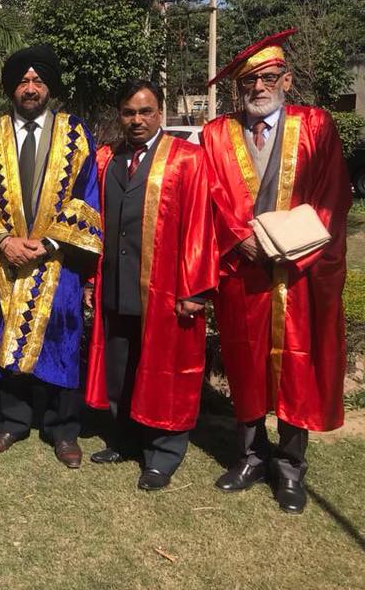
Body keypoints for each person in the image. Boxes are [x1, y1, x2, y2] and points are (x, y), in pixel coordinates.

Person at [202, 29, 351, 514]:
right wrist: (238, 238)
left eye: (268, 77)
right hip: (243, 270)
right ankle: (249, 457)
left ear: (286, 79)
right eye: (249, 80)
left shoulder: (316, 125)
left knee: (296, 369)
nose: (258, 87)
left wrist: (293, 246)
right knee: (246, 364)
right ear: (238, 87)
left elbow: (333, 193)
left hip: (299, 271)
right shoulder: (216, 134)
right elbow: (211, 197)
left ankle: (289, 467)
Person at [0, 45, 102, 468]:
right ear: (12, 88)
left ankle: (64, 430)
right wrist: (1, 242)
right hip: (4, 260)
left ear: (49, 87)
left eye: (38, 81)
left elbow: (86, 196)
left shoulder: (75, 133)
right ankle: (12, 422)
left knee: (62, 336)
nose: (30, 88)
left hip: (58, 260)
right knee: (5, 330)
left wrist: (52, 244)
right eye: (23, 81)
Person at [83, 80, 218, 490]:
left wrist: (194, 289)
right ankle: (124, 440)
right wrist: (91, 280)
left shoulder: (187, 159)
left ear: (160, 113)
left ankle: (162, 454)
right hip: (116, 283)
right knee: (121, 366)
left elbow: (200, 226)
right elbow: (94, 223)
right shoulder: (107, 159)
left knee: (165, 371)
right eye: (129, 112)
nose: (137, 120)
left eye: (145, 111)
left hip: (166, 289)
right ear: (120, 115)